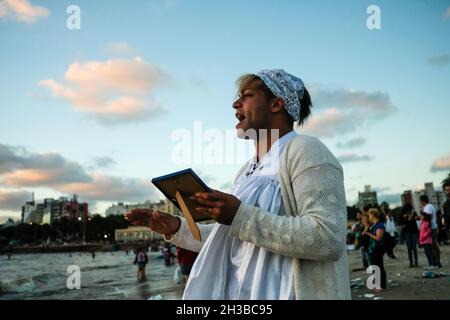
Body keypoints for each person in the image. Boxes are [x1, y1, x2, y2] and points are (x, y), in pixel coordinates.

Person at [126, 69, 350, 299]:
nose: (235, 104)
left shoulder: (306, 150)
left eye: (246, 95)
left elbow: (328, 239)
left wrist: (239, 215)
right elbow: (233, 240)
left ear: (276, 104)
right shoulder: (246, 171)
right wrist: (177, 227)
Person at [363, 208, 386, 291]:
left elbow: (378, 238)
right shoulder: (374, 225)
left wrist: (369, 234)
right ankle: (377, 285)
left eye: (369, 214)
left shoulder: (379, 225)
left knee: (379, 267)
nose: (369, 216)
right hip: (373, 249)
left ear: (373, 214)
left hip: (378, 248)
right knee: (376, 267)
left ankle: (381, 286)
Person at [419, 195, 441, 268]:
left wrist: (426, 228)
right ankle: (436, 263)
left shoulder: (428, 207)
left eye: (420, 201)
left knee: (432, 247)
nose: (420, 203)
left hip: (431, 229)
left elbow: (428, 217)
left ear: (423, 201)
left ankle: (435, 263)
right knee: (434, 246)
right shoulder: (429, 206)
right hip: (432, 227)